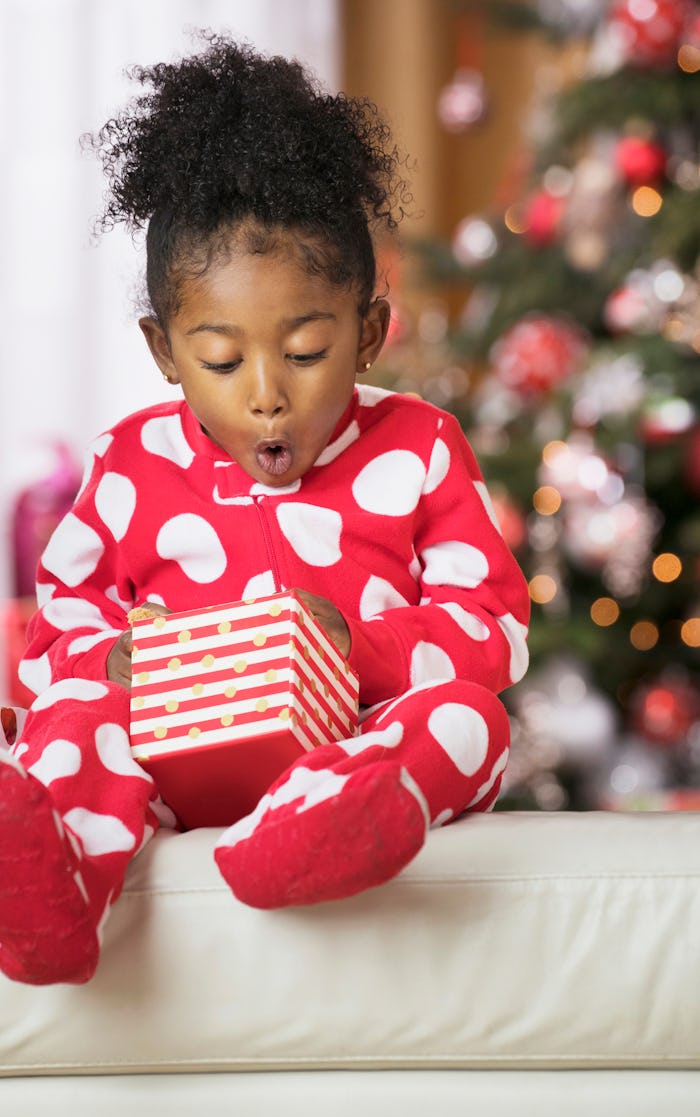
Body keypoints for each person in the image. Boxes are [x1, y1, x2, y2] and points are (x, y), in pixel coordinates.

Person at [0, 34, 529, 987]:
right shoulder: (130, 462)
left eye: (306, 348)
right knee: (73, 713)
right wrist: (115, 658)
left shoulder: (421, 447)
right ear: (164, 352)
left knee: (469, 717)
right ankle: (57, 891)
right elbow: (53, 642)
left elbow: (493, 628)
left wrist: (353, 648)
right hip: (170, 747)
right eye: (219, 359)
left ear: (369, 332)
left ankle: (316, 833)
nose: (266, 394)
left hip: (349, 745)